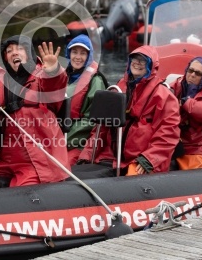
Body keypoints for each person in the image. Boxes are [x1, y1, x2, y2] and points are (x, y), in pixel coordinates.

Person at [0, 36, 70, 187]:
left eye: (19, 49)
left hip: (37, 161)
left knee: (20, 189)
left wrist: (53, 70)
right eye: (9, 51)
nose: (14, 53)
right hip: (6, 159)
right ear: (5, 58)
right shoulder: (1, 80)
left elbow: (55, 85)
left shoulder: (42, 76)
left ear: (29, 53)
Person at [77, 45, 180, 175]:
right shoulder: (118, 88)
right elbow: (101, 128)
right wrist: (87, 154)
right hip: (111, 157)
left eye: (142, 60)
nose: (137, 63)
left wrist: (148, 160)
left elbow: (168, 134)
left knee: (131, 176)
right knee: (78, 174)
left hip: (141, 161)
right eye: (134, 59)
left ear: (151, 65)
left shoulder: (164, 95)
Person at [64, 35, 108, 166]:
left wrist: (64, 140)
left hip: (79, 142)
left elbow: (91, 120)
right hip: (60, 136)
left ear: (89, 57)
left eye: (83, 53)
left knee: (60, 167)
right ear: (68, 54)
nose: (78, 57)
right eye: (74, 52)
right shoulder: (62, 77)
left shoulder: (96, 81)